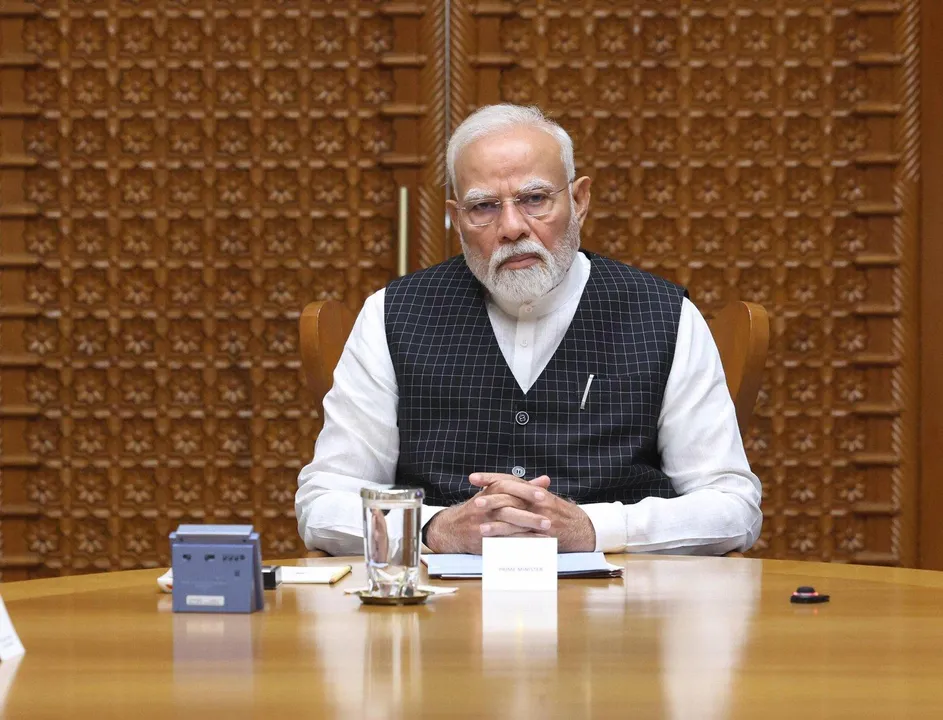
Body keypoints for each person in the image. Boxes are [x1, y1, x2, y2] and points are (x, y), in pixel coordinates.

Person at [296, 104, 762, 556]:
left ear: (579, 201)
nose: (512, 227)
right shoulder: (392, 313)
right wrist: (435, 529)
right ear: (457, 218)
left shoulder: (663, 314)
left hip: (620, 599)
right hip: (441, 599)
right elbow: (324, 501)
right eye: (483, 206)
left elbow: (731, 506)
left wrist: (592, 528)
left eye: (535, 199)